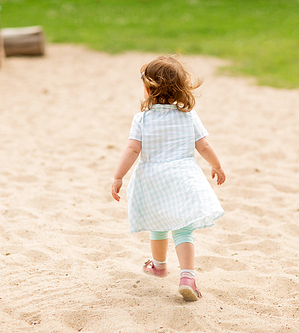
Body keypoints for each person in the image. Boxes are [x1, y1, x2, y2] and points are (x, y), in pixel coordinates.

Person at [111, 55, 226, 301]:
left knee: (158, 224)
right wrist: (216, 165)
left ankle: (159, 265)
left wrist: (118, 176)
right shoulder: (188, 116)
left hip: (153, 178)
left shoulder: (142, 119)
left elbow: (132, 150)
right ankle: (187, 277)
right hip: (182, 176)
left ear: (148, 88)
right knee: (184, 229)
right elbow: (203, 145)